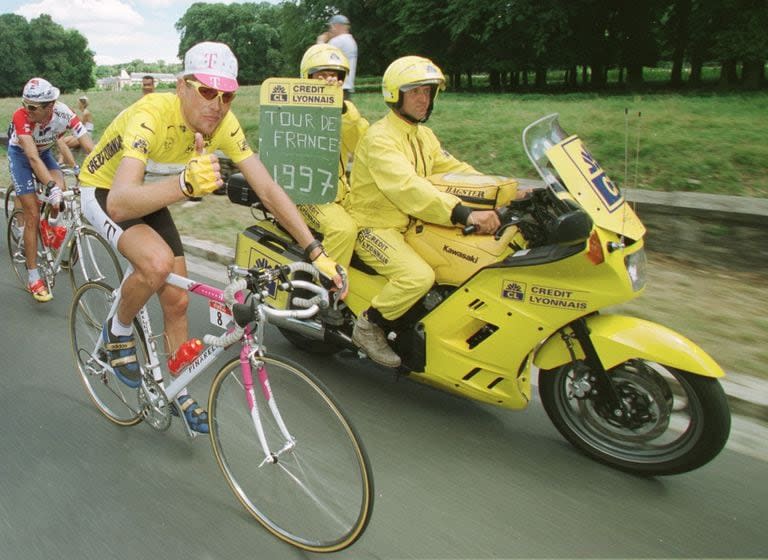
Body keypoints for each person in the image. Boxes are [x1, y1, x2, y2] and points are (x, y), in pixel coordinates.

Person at [78, 41, 345, 433]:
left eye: (227, 95)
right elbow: (119, 204)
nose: (217, 104)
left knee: (179, 300)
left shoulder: (224, 123)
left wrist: (316, 251)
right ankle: (117, 331)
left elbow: (268, 189)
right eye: (206, 90)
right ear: (183, 85)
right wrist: (185, 185)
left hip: (154, 191)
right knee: (156, 264)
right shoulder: (150, 115)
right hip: (105, 190)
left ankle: (179, 387)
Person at [346, 56, 501, 367]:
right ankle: (368, 325)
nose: (423, 99)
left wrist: (503, 189)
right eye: (415, 91)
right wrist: (463, 214)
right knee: (417, 277)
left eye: (428, 92)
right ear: (396, 94)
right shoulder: (380, 139)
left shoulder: (423, 136)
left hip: (410, 225)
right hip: (373, 227)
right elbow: (408, 188)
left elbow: (455, 171)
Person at [7, 77, 94, 302]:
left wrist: (96, 172)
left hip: (44, 152)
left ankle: (52, 226)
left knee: (62, 191)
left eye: (33, 107)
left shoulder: (64, 113)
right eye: (25, 103)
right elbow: (32, 158)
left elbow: (87, 145)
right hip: (22, 156)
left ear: (50, 107)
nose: (27, 109)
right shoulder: (21, 116)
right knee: (33, 213)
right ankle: (34, 276)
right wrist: (50, 186)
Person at [297, 43, 368, 274]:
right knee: (343, 230)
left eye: (334, 76)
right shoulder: (291, 112)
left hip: (340, 192)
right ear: (307, 78)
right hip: (307, 194)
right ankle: (321, 291)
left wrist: (341, 110)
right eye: (322, 75)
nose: (329, 81)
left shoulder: (345, 112)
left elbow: (362, 144)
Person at [323, 14, 357, 99]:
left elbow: (320, 56)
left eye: (331, 27)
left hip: (336, 86)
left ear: (337, 26)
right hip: (346, 86)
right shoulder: (350, 40)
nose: (330, 30)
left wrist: (320, 41)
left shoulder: (337, 41)